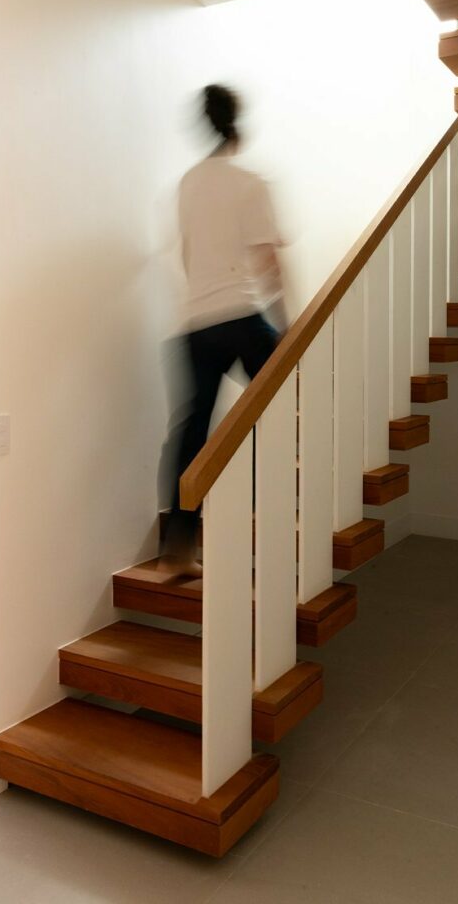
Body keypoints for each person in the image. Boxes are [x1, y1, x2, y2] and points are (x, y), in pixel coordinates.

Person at [160, 84, 287, 573]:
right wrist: (286, 327)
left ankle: (177, 550)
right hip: (239, 314)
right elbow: (268, 262)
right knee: (292, 396)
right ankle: (262, 501)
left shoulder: (188, 183)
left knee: (192, 431)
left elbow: (189, 256)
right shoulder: (250, 183)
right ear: (239, 124)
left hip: (194, 323)